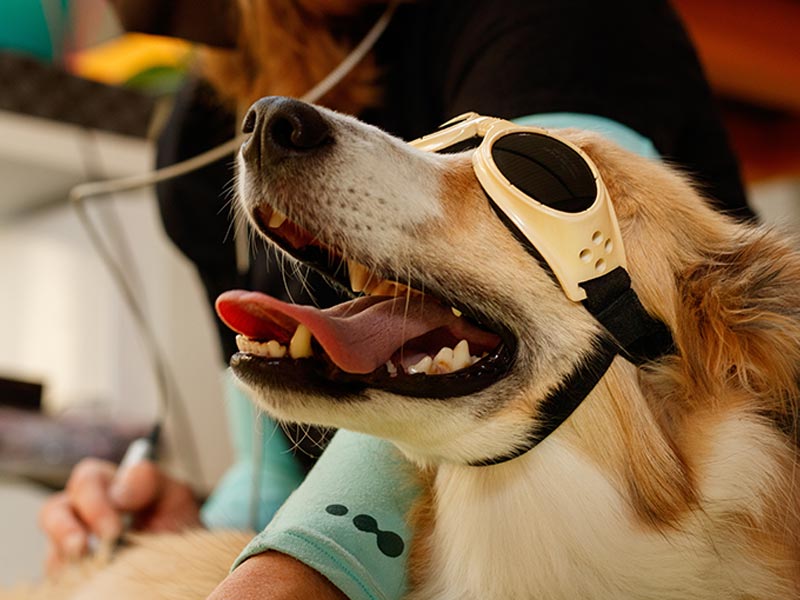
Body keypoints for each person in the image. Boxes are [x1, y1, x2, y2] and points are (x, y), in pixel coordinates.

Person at [39, 0, 754, 598]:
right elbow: (276, 473)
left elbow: (586, 275)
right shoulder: (201, 137)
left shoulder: (554, 20)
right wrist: (197, 524)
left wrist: (299, 560)